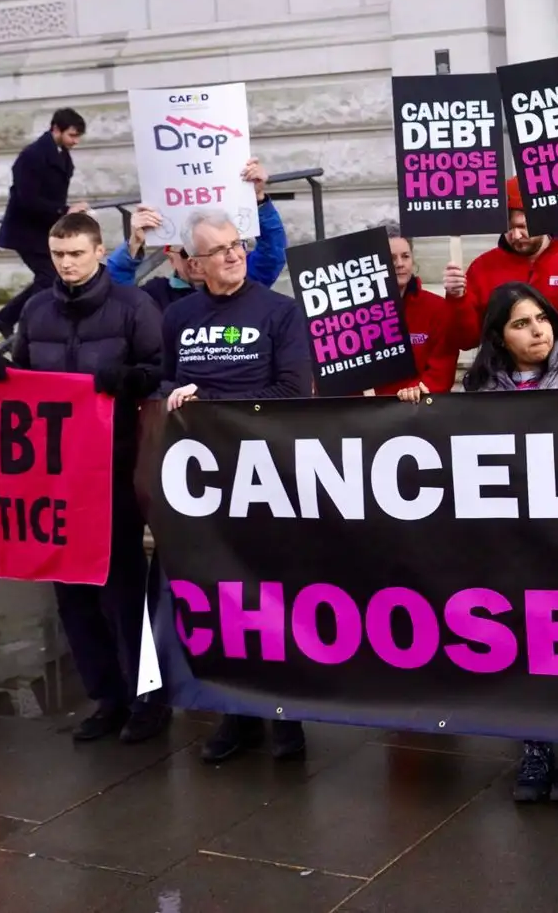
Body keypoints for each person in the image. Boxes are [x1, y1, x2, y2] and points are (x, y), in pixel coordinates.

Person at [0, 211, 169, 746]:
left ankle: (148, 700)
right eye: (57, 255)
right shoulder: (38, 309)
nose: (66, 264)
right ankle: (106, 697)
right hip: (56, 472)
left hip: (113, 468)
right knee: (70, 592)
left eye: (74, 254)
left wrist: (130, 379)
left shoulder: (133, 305)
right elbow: (22, 376)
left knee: (123, 590)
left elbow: (162, 370)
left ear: (98, 252)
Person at [455, 282, 558, 803]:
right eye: (520, 324)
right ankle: (536, 744)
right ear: (500, 337)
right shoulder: (481, 385)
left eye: (541, 318)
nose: (537, 331)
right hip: (514, 536)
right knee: (523, 638)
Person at [163, 208, 314, 764]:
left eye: (237, 244)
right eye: (219, 250)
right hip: (206, 483)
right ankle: (237, 714)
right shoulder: (179, 317)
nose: (233, 254)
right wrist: (175, 395)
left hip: (270, 477)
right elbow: (165, 379)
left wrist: (219, 409)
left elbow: (295, 390)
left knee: (275, 599)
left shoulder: (280, 312)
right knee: (223, 600)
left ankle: (288, 718)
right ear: (194, 265)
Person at [106, 158, 288, 309]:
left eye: (216, 249)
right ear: (170, 257)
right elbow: (115, 295)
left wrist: (257, 200)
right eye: (187, 252)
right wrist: (133, 245)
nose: (197, 261)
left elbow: (272, 253)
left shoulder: (239, 279)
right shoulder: (155, 296)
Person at [443, 177, 558, 352]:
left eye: (522, 226)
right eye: (508, 229)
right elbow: (466, 341)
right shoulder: (482, 268)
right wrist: (458, 299)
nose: (516, 236)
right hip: (502, 372)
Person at [0, 108, 87, 336]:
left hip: (42, 229)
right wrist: (63, 210)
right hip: (26, 231)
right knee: (51, 277)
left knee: (52, 277)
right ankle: (11, 318)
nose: (76, 141)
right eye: (72, 135)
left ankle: (6, 318)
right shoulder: (32, 156)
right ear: (56, 129)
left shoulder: (60, 154)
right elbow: (27, 198)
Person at [380, 228, 458, 401]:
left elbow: (443, 367)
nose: (400, 264)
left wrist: (416, 390)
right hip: (370, 412)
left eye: (405, 256)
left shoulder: (436, 307)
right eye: (391, 258)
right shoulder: (354, 313)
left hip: (420, 408)